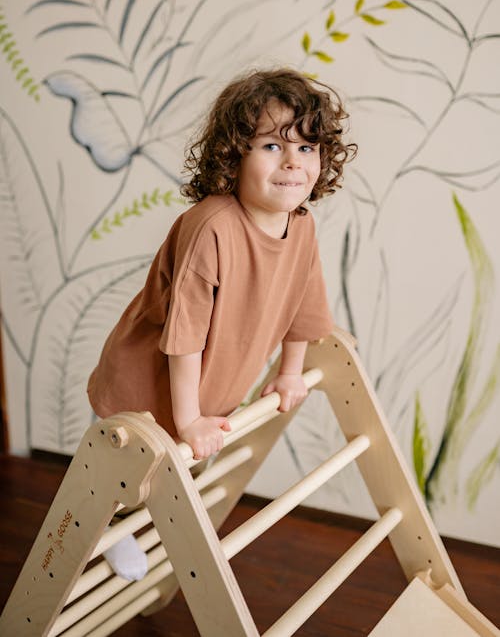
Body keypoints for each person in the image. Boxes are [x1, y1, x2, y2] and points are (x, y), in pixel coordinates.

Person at [87, 68, 356, 579]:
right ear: (233, 156)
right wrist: (187, 419)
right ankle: (105, 527)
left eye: (306, 148)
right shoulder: (212, 227)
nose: (293, 163)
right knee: (126, 474)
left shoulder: (301, 227)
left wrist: (290, 370)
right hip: (148, 378)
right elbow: (184, 334)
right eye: (273, 148)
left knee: (178, 471)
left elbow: (305, 304)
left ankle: (142, 520)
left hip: (212, 383)